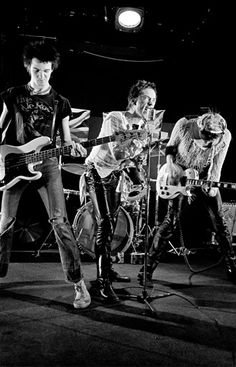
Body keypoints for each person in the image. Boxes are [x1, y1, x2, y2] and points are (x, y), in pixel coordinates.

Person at [0, 40, 91, 309]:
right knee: (4, 223)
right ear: (29, 67)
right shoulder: (13, 95)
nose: (42, 76)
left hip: (47, 163)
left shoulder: (61, 102)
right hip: (15, 163)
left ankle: (78, 284)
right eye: (37, 70)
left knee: (60, 222)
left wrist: (73, 147)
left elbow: (64, 140)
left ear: (53, 70)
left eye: (47, 71)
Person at [82, 79, 162, 302]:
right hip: (97, 171)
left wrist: (147, 146)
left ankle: (107, 269)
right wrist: (139, 140)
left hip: (115, 174)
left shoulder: (143, 126)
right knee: (105, 224)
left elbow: (129, 158)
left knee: (114, 219)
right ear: (135, 99)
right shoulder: (115, 118)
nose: (150, 104)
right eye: (147, 99)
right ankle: (102, 283)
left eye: (153, 101)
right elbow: (117, 152)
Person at [137, 111, 236, 285]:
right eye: (206, 136)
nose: (208, 141)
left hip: (203, 176)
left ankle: (232, 268)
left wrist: (212, 186)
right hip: (179, 173)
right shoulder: (184, 125)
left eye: (213, 138)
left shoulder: (225, 137)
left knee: (219, 221)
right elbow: (170, 148)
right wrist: (171, 166)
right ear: (199, 128)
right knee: (170, 221)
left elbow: (217, 165)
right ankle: (147, 269)